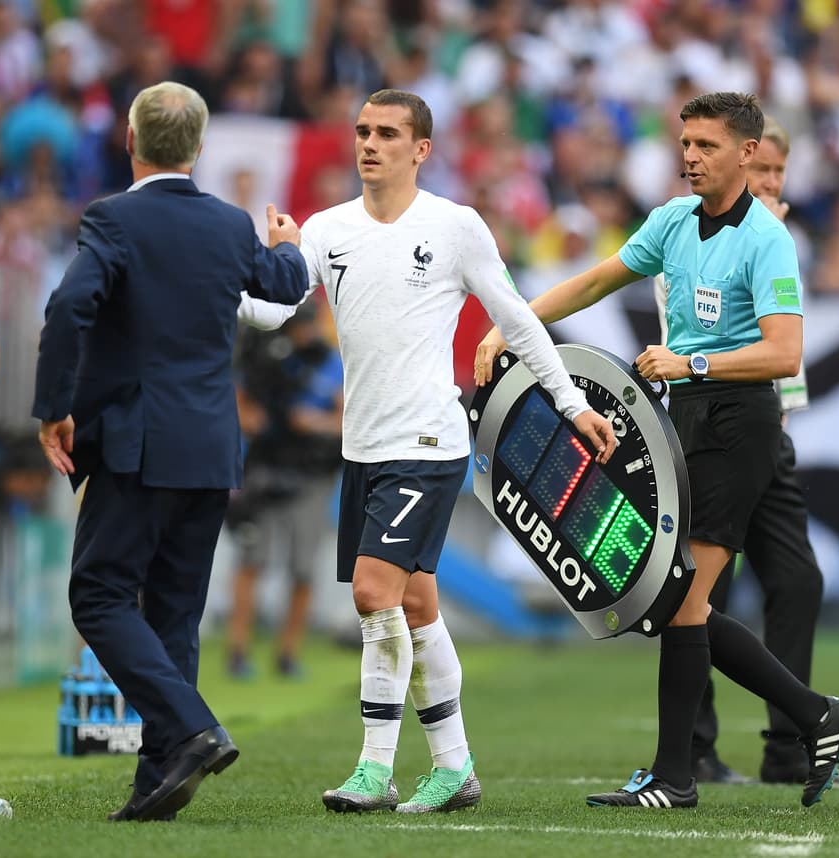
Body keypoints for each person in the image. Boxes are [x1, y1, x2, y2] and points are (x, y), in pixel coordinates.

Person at [475, 92, 839, 810]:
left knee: (684, 600)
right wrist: (513, 323)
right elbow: (595, 280)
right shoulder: (673, 221)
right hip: (684, 417)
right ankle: (811, 717)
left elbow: (785, 353)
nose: (691, 157)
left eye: (707, 145)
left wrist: (693, 363)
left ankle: (679, 774)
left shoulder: (769, 239)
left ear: (747, 153)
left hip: (739, 421)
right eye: (686, 144)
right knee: (680, 598)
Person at [239, 89, 617, 815]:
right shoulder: (325, 229)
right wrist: (241, 271)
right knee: (414, 604)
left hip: (429, 441)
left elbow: (518, 321)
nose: (369, 143)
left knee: (371, 593)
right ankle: (455, 767)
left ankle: (374, 769)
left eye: (387, 133)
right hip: (363, 446)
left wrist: (572, 404)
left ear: (421, 150)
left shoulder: (455, 226)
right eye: (362, 130)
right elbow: (270, 312)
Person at [31, 80, 308, 823]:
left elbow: (69, 305)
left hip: (137, 443)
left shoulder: (113, 218)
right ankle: (160, 780)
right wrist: (288, 245)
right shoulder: (228, 223)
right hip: (211, 446)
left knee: (98, 594)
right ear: (199, 148)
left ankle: (190, 729)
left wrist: (52, 408)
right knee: (175, 614)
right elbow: (282, 286)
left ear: (131, 140)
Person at [661, 118, 826, 787]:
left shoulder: (773, 238)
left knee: (793, 581)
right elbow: (687, 314)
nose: (772, 184)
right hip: (714, 421)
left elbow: (786, 349)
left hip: (764, 430)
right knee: (699, 594)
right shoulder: (701, 231)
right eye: (764, 172)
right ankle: (695, 750)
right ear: (743, 166)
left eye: (781, 173)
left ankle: (791, 743)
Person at [226, 301, 344, 680]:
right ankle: (238, 650)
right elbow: (240, 406)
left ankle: (288, 653)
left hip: (311, 474)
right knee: (252, 559)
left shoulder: (330, 362)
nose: (306, 334)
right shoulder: (264, 358)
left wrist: (314, 423)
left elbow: (346, 421)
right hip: (266, 468)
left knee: (303, 566)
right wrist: (253, 420)